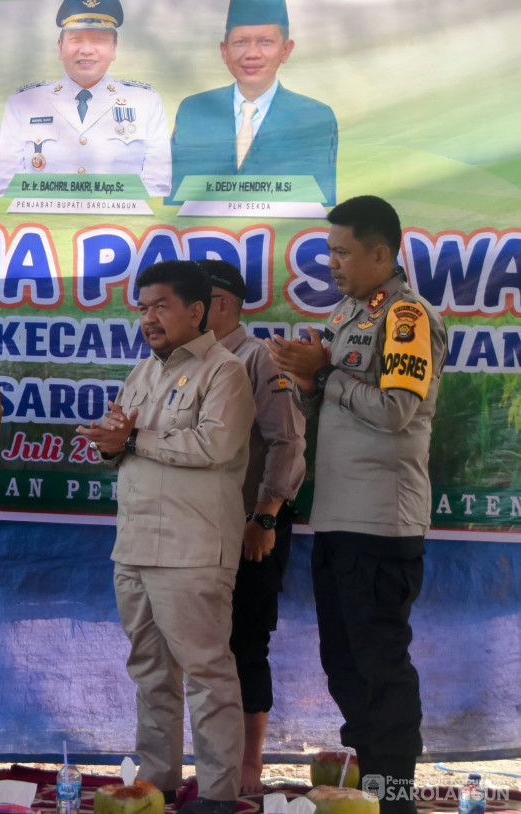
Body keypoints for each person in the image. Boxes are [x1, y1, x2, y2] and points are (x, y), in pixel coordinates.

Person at [266, 196, 446, 814]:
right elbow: (336, 410)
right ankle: (372, 795)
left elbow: (397, 411)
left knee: (379, 670)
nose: (332, 263)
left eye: (343, 251)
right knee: (344, 668)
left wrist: (329, 375)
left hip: (382, 522)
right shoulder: (348, 312)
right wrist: (306, 379)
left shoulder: (405, 317)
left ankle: (394, 801)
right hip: (339, 518)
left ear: (381, 252)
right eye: (328, 251)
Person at [78, 260, 255, 814]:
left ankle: (220, 793)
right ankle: (155, 784)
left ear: (196, 311)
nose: (148, 318)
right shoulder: (142, 372)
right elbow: (126, 446)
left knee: (206, 673)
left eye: (160, 306)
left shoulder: (225, 371)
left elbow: (213, 447)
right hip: (133, 547)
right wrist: (110, 445)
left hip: (192, 551)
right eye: (142, 307)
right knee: (150, 672)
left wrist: (132, 441)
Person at [198, 260, 306, 793]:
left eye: (192, 296)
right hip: (197, 529)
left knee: (245, 645)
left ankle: (247, 771)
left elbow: (286, 442)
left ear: (220, 303)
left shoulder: (258, 358)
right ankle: (210, 764)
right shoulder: (185, 359)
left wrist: (266, 516)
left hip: (250, 528)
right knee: (199, 647)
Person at [0, 0, 170, 196]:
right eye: (76, 39)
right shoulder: (23, 104)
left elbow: (157, 188)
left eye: (99, 39)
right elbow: (5, 188)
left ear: (114, 48)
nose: (86, 50)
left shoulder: (146, 103)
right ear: (60, 47)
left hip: (118, 225)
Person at [169, 0, 337, 205]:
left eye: (265, 42)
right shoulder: (194, 112)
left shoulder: (314, 118)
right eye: (240, 42)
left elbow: (320, 207)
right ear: (224, 51)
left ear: (286, 50)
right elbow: (177, 201)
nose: (251, 54)